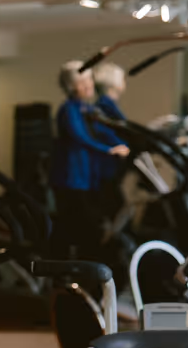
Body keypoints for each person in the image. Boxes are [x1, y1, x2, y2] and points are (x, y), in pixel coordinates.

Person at [48, 61, 130, 257]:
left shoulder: (86, 109)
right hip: (71, 178)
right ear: (71, 87)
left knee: (90, 224)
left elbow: (104, 130)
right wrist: (110, 150)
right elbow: (81, 137)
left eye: (88, 80)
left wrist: (121, 143)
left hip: (85, 178)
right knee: (79, 226)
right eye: (81, 82)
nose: (88, 86)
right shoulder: (69, 109)